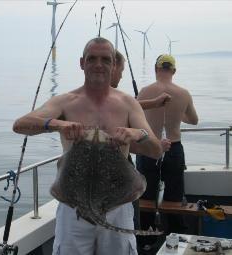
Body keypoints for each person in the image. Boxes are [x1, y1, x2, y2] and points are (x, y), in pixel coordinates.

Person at [13, 37, 163, 255]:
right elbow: (20, 125)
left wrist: (136, 133)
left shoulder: (128, 103)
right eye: (92, 58)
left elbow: (156, 149)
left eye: (105, 59)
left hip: (116, 205)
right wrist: (57, 124)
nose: (98, 64)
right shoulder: (65, 101)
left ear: (113, 65)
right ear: (82, 63)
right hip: (74, 206)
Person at [136, 54, 198, 252]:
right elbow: (194, 120)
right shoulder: (184, 93)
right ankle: (176, 241)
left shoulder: (145, 91)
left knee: (146, 196)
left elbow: (133, 118)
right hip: (174, 148)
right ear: (174, 71)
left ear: (156, 68)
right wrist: (178, 115)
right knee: (174, 197)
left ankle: (145, 241)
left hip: (148, 148)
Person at [111, 50, 172, 231]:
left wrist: (153, 102)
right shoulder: (113, 99)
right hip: (120, 171)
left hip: (120, 168)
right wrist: (154, 144)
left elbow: (129, 103)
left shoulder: (118, 98)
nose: (121, 76)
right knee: (131, 217)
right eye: (121, 71)